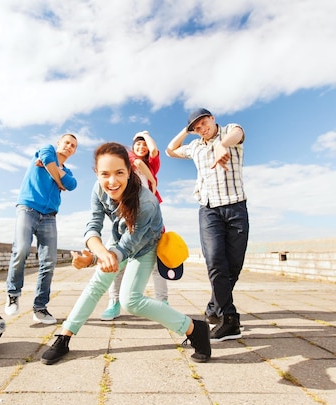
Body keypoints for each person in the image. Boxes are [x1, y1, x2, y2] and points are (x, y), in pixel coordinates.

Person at [40, 142, 211, 365]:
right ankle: (64, 337)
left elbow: (128, 247)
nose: (112, 181)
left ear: (130, 172)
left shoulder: (146, 202)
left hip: (145, 245)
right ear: (97, 173)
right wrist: (96, 254)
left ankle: (194, 328)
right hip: (120, 238)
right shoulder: (99, 188)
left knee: (131, 301)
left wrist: (97, 258)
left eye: (119, 173)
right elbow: (93, 225)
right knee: (96, 285)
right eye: (105, 174)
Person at [165, 108, 249, 342]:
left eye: (204, 123)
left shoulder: (229, 131)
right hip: (209, 209)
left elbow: (239, 132)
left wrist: (223, 145)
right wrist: (186, 130)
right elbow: (170, 150)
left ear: (212, 119)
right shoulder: (195, 147)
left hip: (236, 207)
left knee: (233, 267)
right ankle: (229, 320)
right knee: (214, 261)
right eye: (197, 127)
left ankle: (214, 308)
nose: (202, 128)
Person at [4, 134, 78, 325]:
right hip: (27, 208)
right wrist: (59, 180)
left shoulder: (67, 171)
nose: (69, 147)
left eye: (73, 146)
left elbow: (72, 185)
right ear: (59, 144)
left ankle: (40, 307)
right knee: (21, 250)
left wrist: (58, 174)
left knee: (49, 262)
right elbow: (47, 160)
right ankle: (13, 294)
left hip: (49, 217)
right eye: (67, 143)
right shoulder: (46, 149)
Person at [100, 131, 169, 321]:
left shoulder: (152, 164)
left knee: (157, 265)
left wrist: (146, 135)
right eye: (138, 144)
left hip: (152, 218)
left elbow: (153, 150)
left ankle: (163, 304)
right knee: (118, 262)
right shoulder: (128, 159)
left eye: (143, 145)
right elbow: (137, 163)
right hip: (129, 216)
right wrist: (153, 180)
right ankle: (114, 303)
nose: (141, 147)